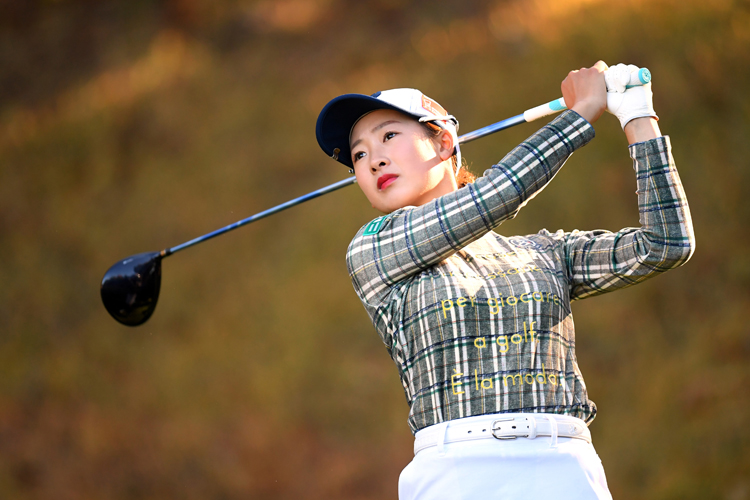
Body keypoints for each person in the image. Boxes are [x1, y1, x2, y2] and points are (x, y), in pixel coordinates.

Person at [315, 61, 695, 499]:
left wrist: (637, 116)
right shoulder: (374, 249)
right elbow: (497, 195)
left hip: (563, 464)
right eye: (358, 154)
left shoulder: (543, 253)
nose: (373, 158)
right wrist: (579, 114)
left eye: (388, 136)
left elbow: (665, 244)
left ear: (443, 142)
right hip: (456, 472)